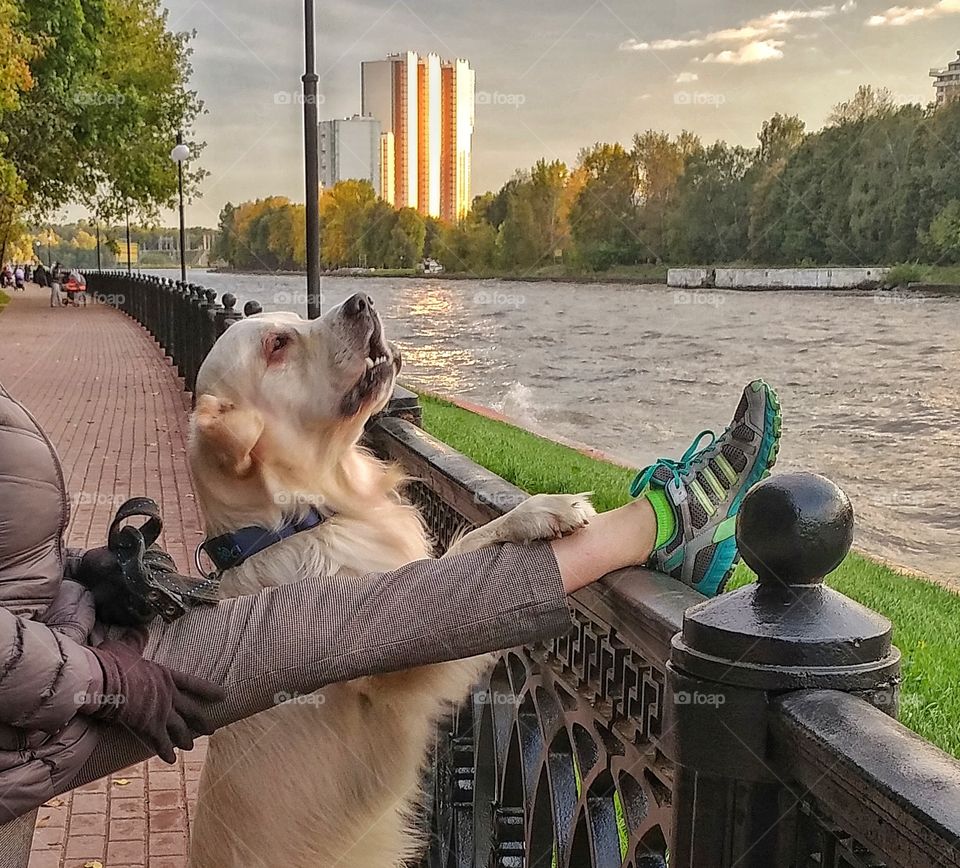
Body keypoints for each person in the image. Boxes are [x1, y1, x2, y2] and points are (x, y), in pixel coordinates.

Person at [0, 379, 781, 864]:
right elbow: (384, 643)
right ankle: (664, 520)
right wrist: (101, 676)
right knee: (325, 630)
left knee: (327, 627)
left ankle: (659, 529)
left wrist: (73, 582)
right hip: (38, 690)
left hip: (43, 658)